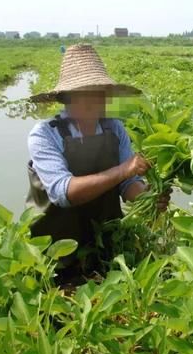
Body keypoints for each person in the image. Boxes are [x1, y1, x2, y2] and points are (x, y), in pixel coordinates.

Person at [26, 43, 168, 282]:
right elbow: (63, 193)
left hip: (106, 241)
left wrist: (149, 196)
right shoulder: (44, 134)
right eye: (85, 91)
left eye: (99, 91)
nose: (95, 99)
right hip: (55, 251)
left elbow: (128, 185)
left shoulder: (114, 128)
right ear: (67, 96)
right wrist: (123, 170)